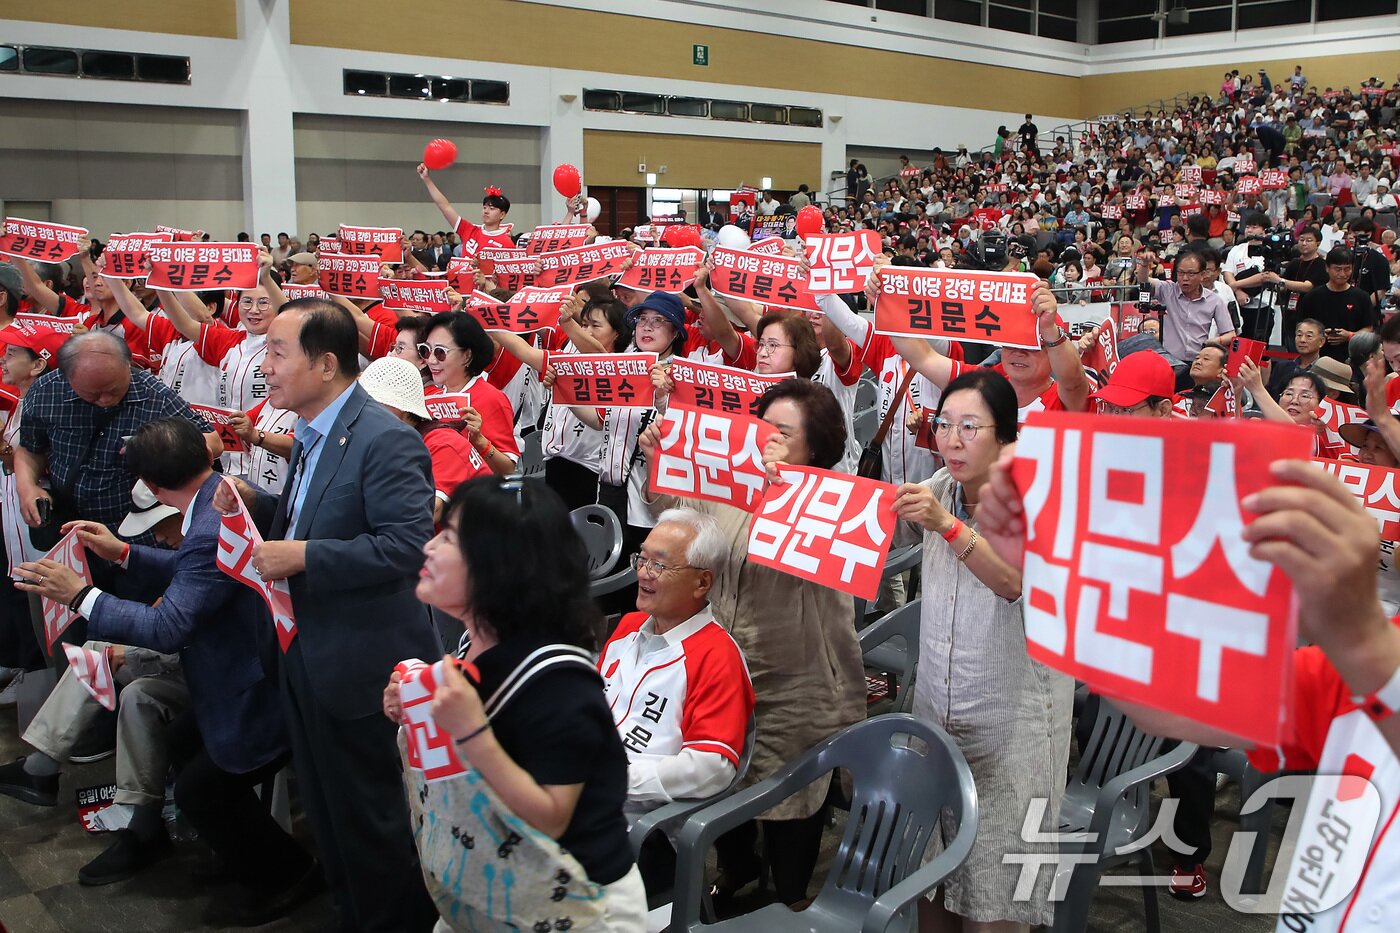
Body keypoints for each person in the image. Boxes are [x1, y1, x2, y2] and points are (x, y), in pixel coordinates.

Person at [973, 449, 1400, 930]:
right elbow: (1171, 707)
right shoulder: (1349, 665)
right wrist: (1063, 577)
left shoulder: (1367, 654)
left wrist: (1357, 632)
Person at [16, 417, 320, 925]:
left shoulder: (206, 524)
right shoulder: (219, 493)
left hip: (254, 681)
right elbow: (196, 575)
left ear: (153, 487)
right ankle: (242, 851)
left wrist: (81, 595)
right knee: (182, 742)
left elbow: (169, 625)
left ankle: (287, 875)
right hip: (248, 663)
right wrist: (126, 551)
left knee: (203, 789)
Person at [219, 298, 440, 932]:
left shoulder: (386, 439)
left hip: (362, 664)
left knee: (373, 820)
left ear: (326, 364)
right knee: (328, 811)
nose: (266, 367)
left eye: (278, 352)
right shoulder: (312, 436)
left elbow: (405, 547)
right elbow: (315, 518)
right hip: (305, 653)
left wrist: (305, 554)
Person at [638, 379, 866, 909]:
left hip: (795, 672)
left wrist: (784, 491)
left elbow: (834, 569)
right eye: (762, 427)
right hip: (721, 662)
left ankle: (790, 899)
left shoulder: (831, 499)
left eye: (783, 434)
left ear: (816, 447)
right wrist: (659, 461)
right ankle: (737, 868)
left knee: (791, 792)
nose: (767, 440)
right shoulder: (728, 481)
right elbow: (676, 515)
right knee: (723, 774)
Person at [383, 478, 646, 929]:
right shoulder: (475, 644)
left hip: (576, 902)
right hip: (500, 886)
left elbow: (551, 816)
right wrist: (417, 707)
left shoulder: (560, 681)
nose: (429, 548)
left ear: (500, 566)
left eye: (448, 538)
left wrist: (469, 729)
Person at [891, 368, 1072, 929]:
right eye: (943, 425)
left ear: (1005, 435)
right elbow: (864, 521)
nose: (951, 439)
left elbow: (1012, 582)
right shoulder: (940, 488)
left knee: (995, 891)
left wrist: (948, 526)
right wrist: (788, 482)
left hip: (1012, 717)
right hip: (940, 707)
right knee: (931, 876)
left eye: (970, 427)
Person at [0, 483, 187, 887]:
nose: (155, 535)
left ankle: (139, 824)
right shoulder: (191, 543)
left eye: (161, 523)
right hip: (190, 660)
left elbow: (185, 635)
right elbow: (171, 610)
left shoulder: (216, 538)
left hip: (215, 674)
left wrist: (88, 601)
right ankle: (45, 768)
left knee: (131, 683)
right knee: (103, 651)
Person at [597, 508, 754, 898]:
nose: (644, 572)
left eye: (661, 566)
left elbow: (712, 768)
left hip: (646, 827)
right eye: (643, 558)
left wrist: (617, 777)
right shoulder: (628, 628)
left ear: (703, 582)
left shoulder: (717, 655)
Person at [15, 332, 217, 545]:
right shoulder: (46, 391)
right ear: (67, 378)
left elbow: (213, 442)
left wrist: (155, 446)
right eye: (93, 394)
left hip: (132, 533)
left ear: (128, 365)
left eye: (113, 390)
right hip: (68, 528)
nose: (105, 400)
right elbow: (30, 448)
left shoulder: (154, 395)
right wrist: (27, 487)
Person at [357, 356, 489, 525]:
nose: (364, 411)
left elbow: (431, 511)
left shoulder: (443, 443)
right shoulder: (394, 440)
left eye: (374, 403)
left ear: (401, 409)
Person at [421, 310, 521, 476]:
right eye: (426, 350)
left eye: (440, 352)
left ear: (467, 356)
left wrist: (481, 442)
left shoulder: (492, 398)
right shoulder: (427, 395)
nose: (431, 360)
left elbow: (508, 470)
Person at [1137, 248, 1236, 365]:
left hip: (1198, 362)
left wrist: (1213, 341)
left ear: (1202, 275)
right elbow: (1144, 281)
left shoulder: (1214, 300)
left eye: (1191, 273)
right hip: (1169, 361)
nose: (1185, 278)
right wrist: (1144, 264)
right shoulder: (1168, 290)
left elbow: (1230, 334)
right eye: (1181, 273)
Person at [1296, 247, 1375, 363]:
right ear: (1327, 268)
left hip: (1352, 358)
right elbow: (1302, 325)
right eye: (1337, 269)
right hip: (1318, 359)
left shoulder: (1361, 297)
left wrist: (1349, 335)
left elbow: (1369, 328)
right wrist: (1320, 335)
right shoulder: (1312, 297)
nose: (1342, 274)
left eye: (1347, 269)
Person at [418, 165, 514, 255]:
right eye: (484, 207)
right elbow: (445, 207)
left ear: (502, 214)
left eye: (492, 208)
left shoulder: (506, 243)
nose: (486, 211)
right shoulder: (469, 230)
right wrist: (427, 179)